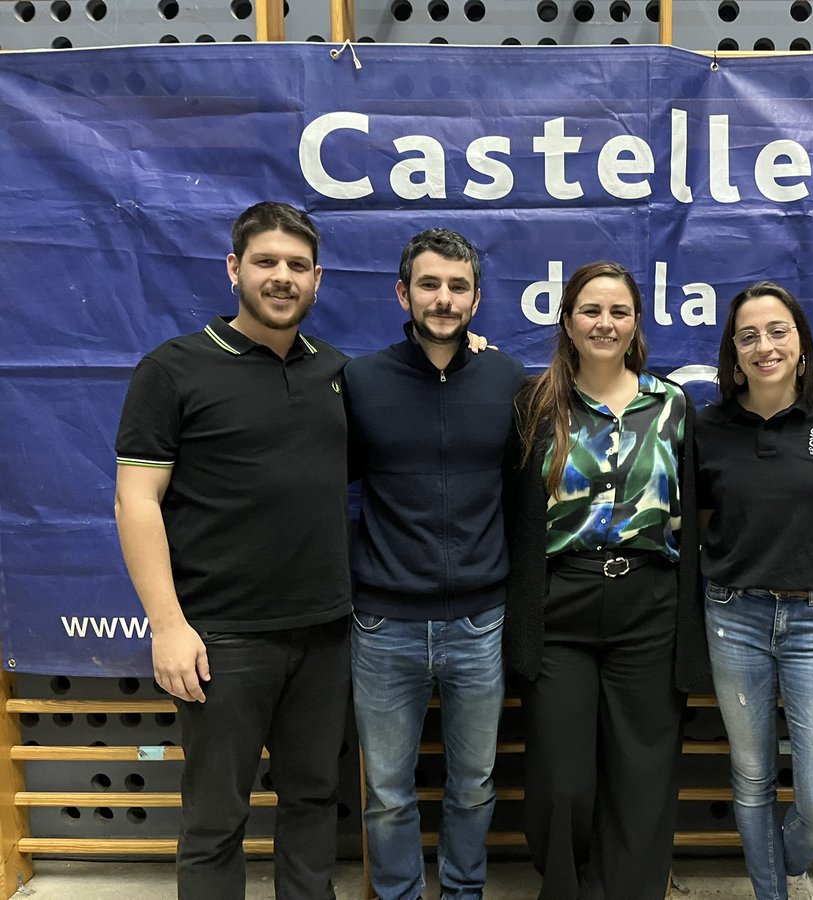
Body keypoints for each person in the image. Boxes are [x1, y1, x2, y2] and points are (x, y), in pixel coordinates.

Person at [114, 201, 351, 899]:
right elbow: (135, 501)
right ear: (233, 269)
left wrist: (469, 349)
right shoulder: (172, 370)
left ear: (317, 280)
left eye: (298, 266)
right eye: (266, 262)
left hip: (325, 634)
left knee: (314, 803)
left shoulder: (336, 371)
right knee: (216, 821)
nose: (283, 277)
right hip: (221, 641)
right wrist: (167, 625)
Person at [504, 261, 706, 899]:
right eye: (590, 310)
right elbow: (513, 512)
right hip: (559, 604)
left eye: (619, 312)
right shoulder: (536, 404)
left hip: (649, 603)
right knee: (563, 782)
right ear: (567, 321)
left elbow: (691, 515)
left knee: (642, 775)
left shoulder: (671, 404)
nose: (604, 323)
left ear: (636, 324)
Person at [343, 228, 526, 900]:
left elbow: (522, 495)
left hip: (479, 624)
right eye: (429, 284)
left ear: (476, 299)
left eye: (458, 286)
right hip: (382, 625)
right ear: (403, 293)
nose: (443, 299)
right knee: (388, 792)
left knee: (473, 785)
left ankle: (463, 892)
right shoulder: (360, 381)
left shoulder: (507, 379)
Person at [696, 282, 813, 900]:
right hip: (733, 617)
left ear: (801, 342)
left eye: (777, 331)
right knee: (752, 778)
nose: (764, 346)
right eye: (748, 336)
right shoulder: (708, 427)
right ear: (733, 352)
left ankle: (787, 865)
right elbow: (705, 522)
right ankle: (772, 892)